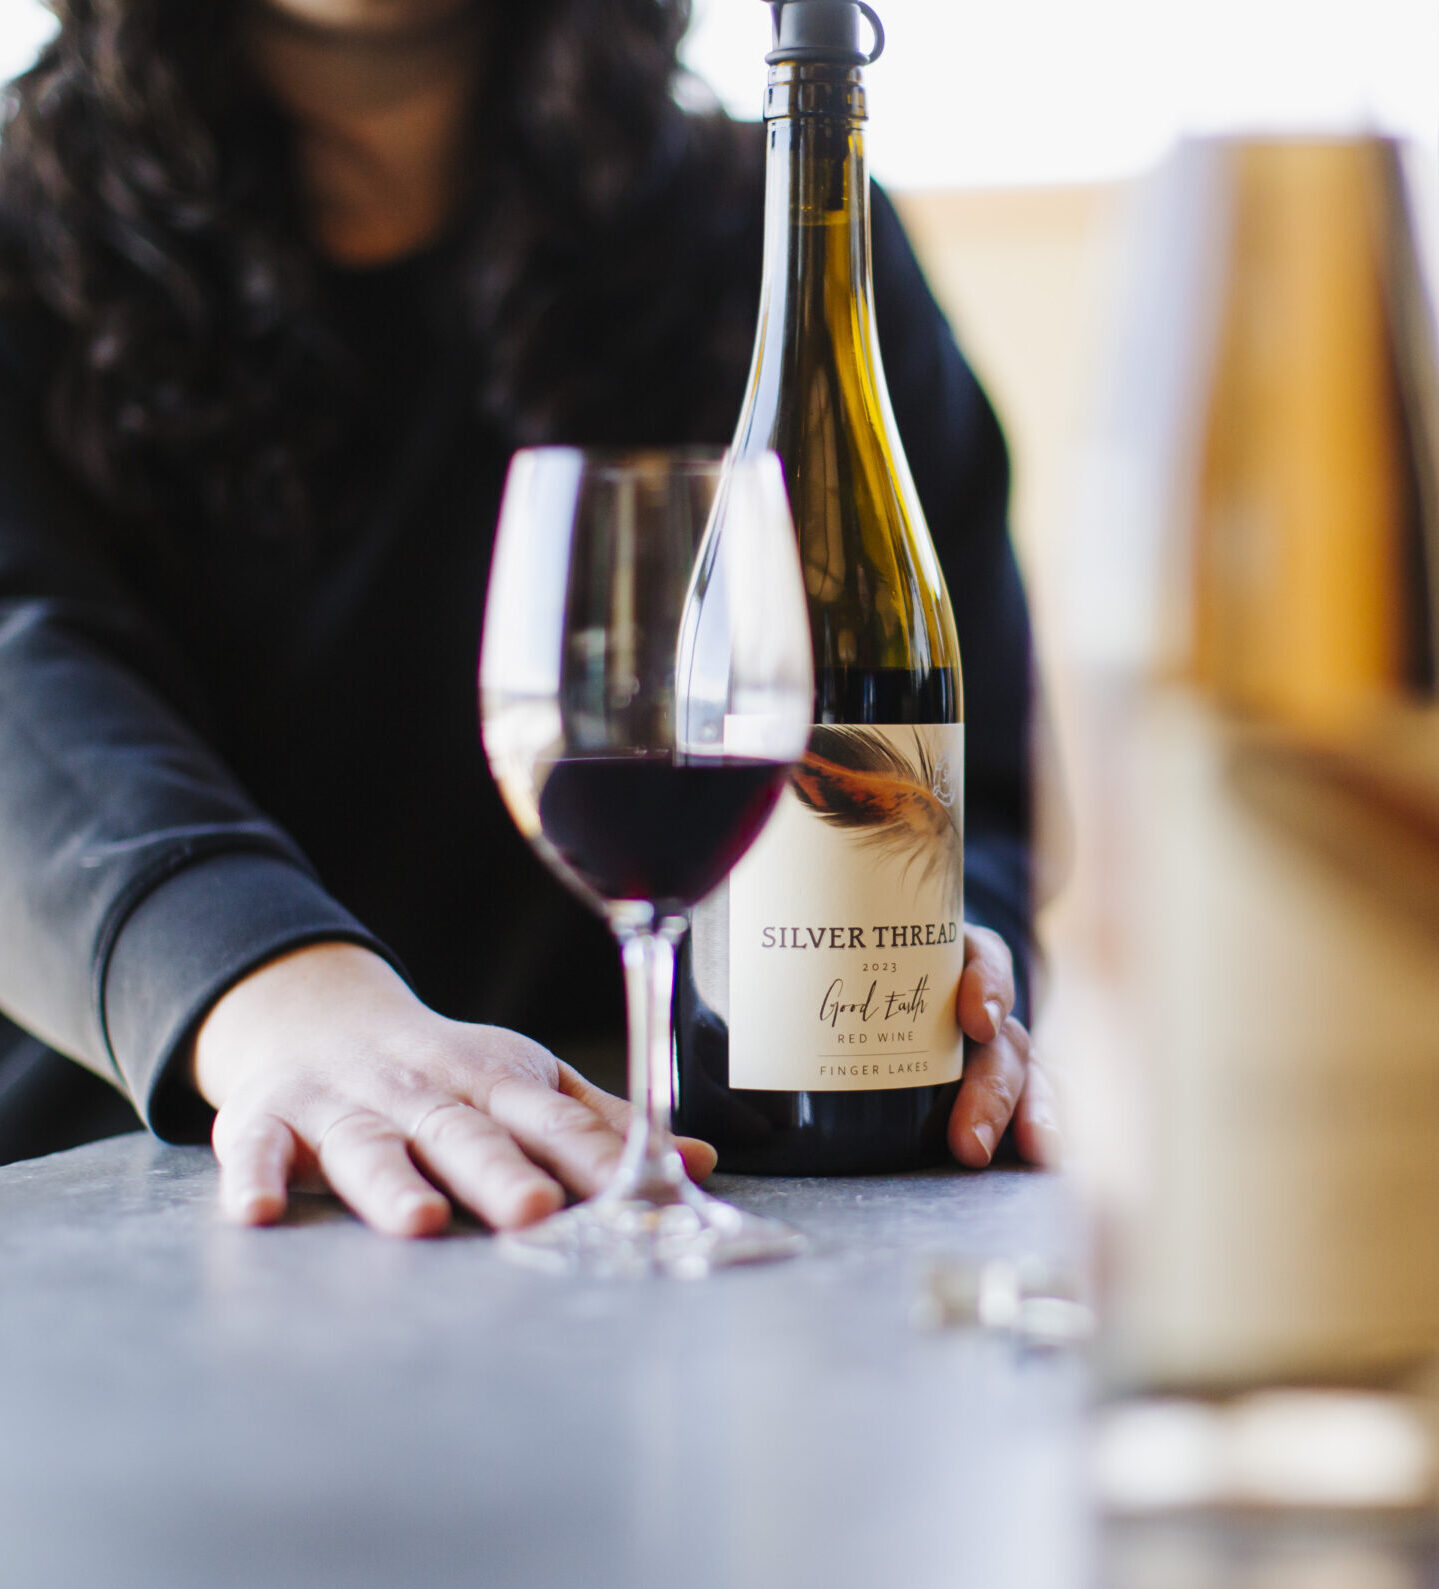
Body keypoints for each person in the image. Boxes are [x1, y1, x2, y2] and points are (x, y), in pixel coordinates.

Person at [0, 0, 1054, 1234]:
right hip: (146, 1221)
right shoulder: (26, 258)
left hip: (688, 1223)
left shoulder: (773, 235)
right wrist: (276, 994)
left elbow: (965, 773)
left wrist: (932, 951)